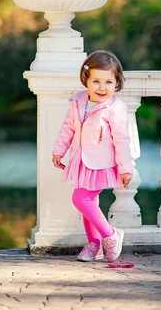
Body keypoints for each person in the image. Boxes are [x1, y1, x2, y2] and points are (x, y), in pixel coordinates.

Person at [52, 50, 132, 263]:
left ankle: (110, 234)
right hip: (81, 160)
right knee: (90, 202)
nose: (102, 87)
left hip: (101, 162)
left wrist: (125, 168)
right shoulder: (78, 102)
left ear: (116, 83)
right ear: (85, 80)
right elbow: (68, 128)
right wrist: (59, 151)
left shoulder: (115, 108)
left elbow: (121, 139)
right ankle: (94, 244)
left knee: (81, 198)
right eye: (96, 81)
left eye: (108, 82)